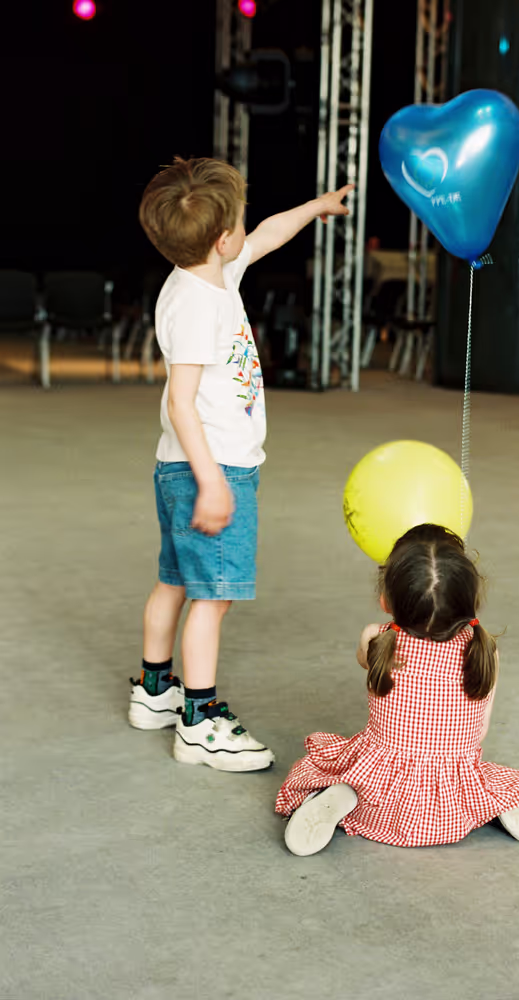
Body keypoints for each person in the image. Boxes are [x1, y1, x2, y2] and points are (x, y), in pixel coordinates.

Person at [128, 156, 352, 771]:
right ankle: (199, 719)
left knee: (175, 577)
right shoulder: (200, 303)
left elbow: (270, 233)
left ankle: (154, 690)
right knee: (213, 595)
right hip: (212, 468)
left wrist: (314, 208)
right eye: (240, 223)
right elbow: (180, 401)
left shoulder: (207, 273)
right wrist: (212, 484)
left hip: (180, 466)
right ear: (222, 237)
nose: (248, 230)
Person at [276, 524, 519, 855]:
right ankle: (500, 802)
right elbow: (478, 733)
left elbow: (366, 662)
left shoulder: (376, 638)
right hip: (450, 796)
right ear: (471, 600)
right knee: (485, 775)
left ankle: (345, 792)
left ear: (385, 600)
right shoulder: (485, 649)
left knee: (343, 762)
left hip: (380, 787)